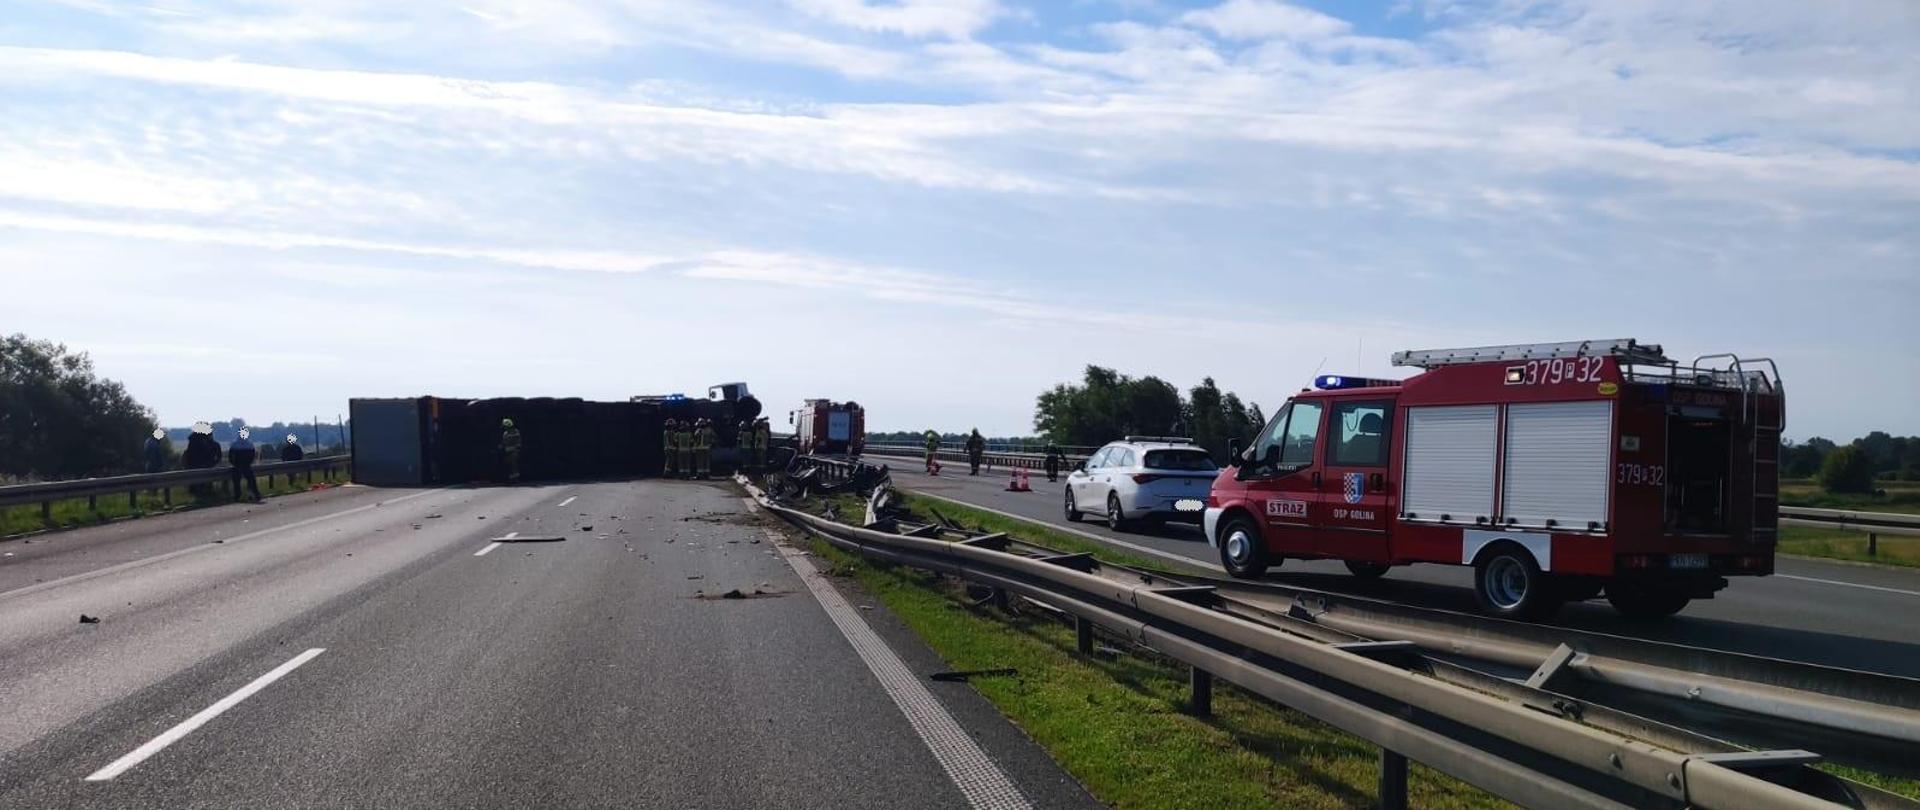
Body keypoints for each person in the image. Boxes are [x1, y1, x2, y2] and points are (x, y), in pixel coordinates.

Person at [182, 421, 222, 498]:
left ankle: (200, 496)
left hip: (193, 467)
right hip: (204, 466)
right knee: (204, 485)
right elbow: (215, 455)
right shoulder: (205, 442)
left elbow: (189, 455)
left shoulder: (193, 440)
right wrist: (213, 463)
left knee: (197, 485)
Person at [228, 427, 262, 502]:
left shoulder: (235, 443)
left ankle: (237, 496)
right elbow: (252, 456)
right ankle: (256, 494)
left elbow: (230, 456)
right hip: (246, 465)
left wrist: (234, 464)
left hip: (237, 465)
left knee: (237, 481)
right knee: (251, 480)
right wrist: (248, 463)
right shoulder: (249, 444)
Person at [499, 418, 523, 484]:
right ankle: (511, 478)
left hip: (514, 451)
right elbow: (504, 442)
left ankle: (515, 479)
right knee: (510, 465)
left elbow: (518, 440)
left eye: (505, 426)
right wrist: (501, 446)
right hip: (508, 451)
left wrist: (517, 448)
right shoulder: (505, 433)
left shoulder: (515, 431)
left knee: (514, 465)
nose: (504, 428)